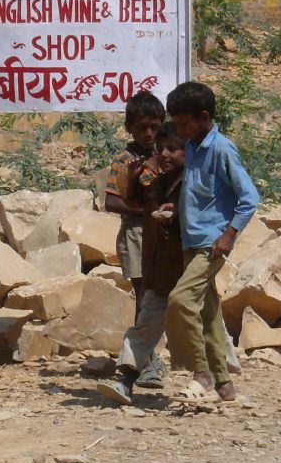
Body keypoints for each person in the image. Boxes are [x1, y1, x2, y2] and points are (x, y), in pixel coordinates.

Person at [164, 80, 260, 407]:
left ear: (203, 117)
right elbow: (200, 192)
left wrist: (229, 235)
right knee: (207, 312)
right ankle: (224, 384)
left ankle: (200, 372)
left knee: (179, 301)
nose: (180, 130)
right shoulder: (192, 145)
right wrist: (176, 208)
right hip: (192, 241)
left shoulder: (221, 149)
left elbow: (249, 198)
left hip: (212, 244)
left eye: (183, 124)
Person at [98, 121, 185, 406]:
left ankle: (215, 378)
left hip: (185, 256)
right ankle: (130, 372)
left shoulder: (189, 177)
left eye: (172, 149)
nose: (164, 154)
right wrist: (136, 184)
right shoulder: (149, 173)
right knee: (148, 307)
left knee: (199, 314)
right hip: (152, 248)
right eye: (162, 149)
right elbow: (123, 202)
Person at [102, 89, 166, 387]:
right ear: (129, 128)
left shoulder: (165, 155)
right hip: (137, 234)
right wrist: (146, 210)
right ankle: (145, 360)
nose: (149, 133)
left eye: (155, 127)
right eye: (143, 128)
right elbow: (112, 202)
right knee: (144, 296)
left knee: (159, 296)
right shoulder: (124, 161)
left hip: (161, 234)